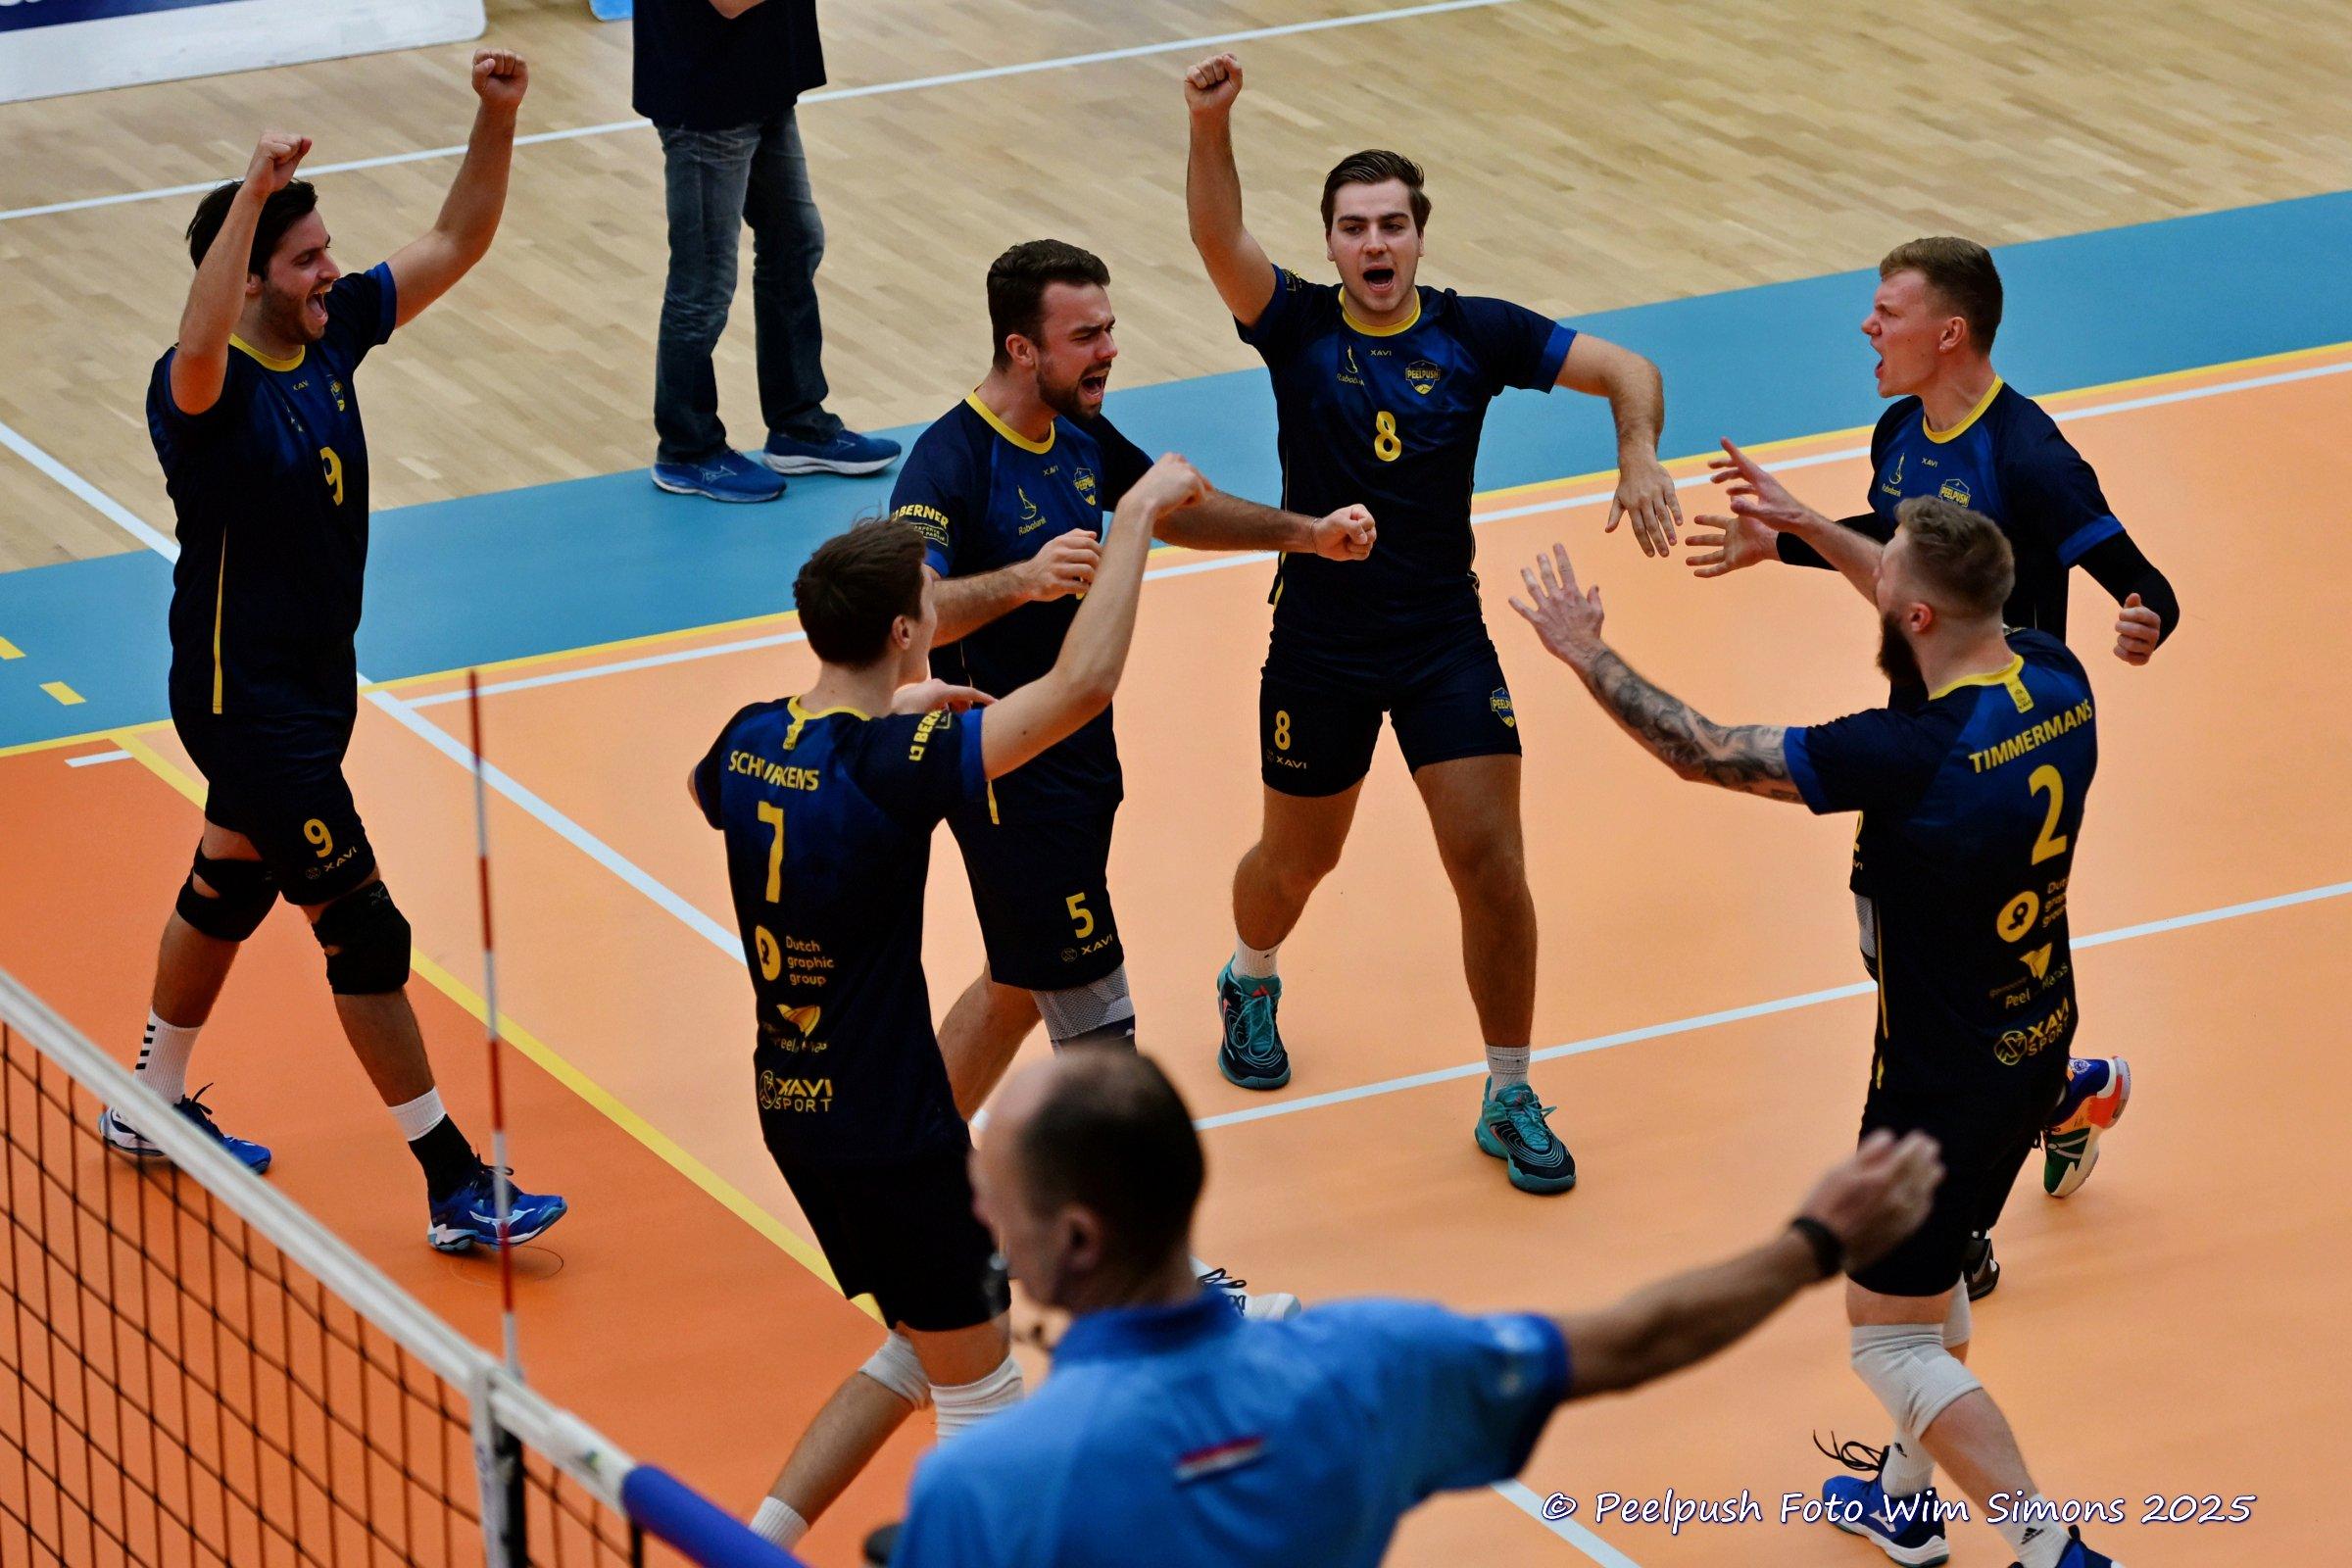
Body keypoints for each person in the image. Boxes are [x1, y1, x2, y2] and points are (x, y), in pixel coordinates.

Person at [1512, 502, 2125, 1568]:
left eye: (1885, 569)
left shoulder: (1904, 754)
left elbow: (1702, 751)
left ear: (1917, 612)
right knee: (1928, 1280)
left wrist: (1586, 652)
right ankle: (1904, 1501)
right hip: (2038, 1041)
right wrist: (1802, 530)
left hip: (1936, 1090)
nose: (1873, 573)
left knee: (1887, 1337)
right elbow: (1928, 612)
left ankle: (2053, 1551)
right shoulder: (2057, 676)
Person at [1182, 53, 1683, 1195]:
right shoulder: (1294, 324)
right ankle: (1250, 971)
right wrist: (1210, 126)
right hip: (1320, 643)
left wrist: (1639, 449)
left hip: (1441, 639)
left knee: (1491, 862)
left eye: (1393, 225)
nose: (1375, 244)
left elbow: (1626, 366)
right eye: (1354, 227)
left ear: (1418, 236)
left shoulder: (1475, 333)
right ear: (1329, 245)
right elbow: (1217, 238)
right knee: (1297, 862)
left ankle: (1509, 1090)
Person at [694, 456, 1214, 1550]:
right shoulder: (895, 763)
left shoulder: (747, 737)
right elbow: (1079, 690)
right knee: (986, 1401)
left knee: (918, 1351)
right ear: (901, 632)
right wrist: (1131, 518)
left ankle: (756, 1544)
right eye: (927, 608)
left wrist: (894, 706)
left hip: (795, 1114)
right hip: (894, 1131)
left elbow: (726, 786)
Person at [111, 53, 566, 1254]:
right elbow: (198, 332)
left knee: (230, 881)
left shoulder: (331, 334)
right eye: (304, 259)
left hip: (312, 693)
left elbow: (456, 239)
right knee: (361, 927)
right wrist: (252, 193)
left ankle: (147, 1098)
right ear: (253, 274)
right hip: (246, 704)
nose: (330, 273)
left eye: (327, 254)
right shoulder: (204, 390)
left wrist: (497, 117)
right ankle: (454, 1181)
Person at [886, 1050, 1940, 1567]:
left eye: (995, 1190)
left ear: (1076, 1239)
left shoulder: (986, 1487)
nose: (978, 1206)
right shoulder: (1368, 1364)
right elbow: (1636, 1340)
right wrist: (1812, 1244)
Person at [891, 239, 1373, 1313]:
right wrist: (1020, 580)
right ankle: (1158, 1280)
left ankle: (910, 1191)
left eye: (1109, 327)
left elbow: (1173, 504)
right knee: (1101, 1037)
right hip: (1011, 776)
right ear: (1022, 347)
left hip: (1079, 765)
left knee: (1018, 983)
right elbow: (910, 615)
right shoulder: (949, 463)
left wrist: (1305, 536)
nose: (1109, 348)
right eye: (1086, 334)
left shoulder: (1075, 431)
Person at [633, 0, 900, 502]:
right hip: (707, 98)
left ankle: (798, 424)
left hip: (759, 78)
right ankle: (687, 449)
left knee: (795, 242)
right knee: (703, 284)